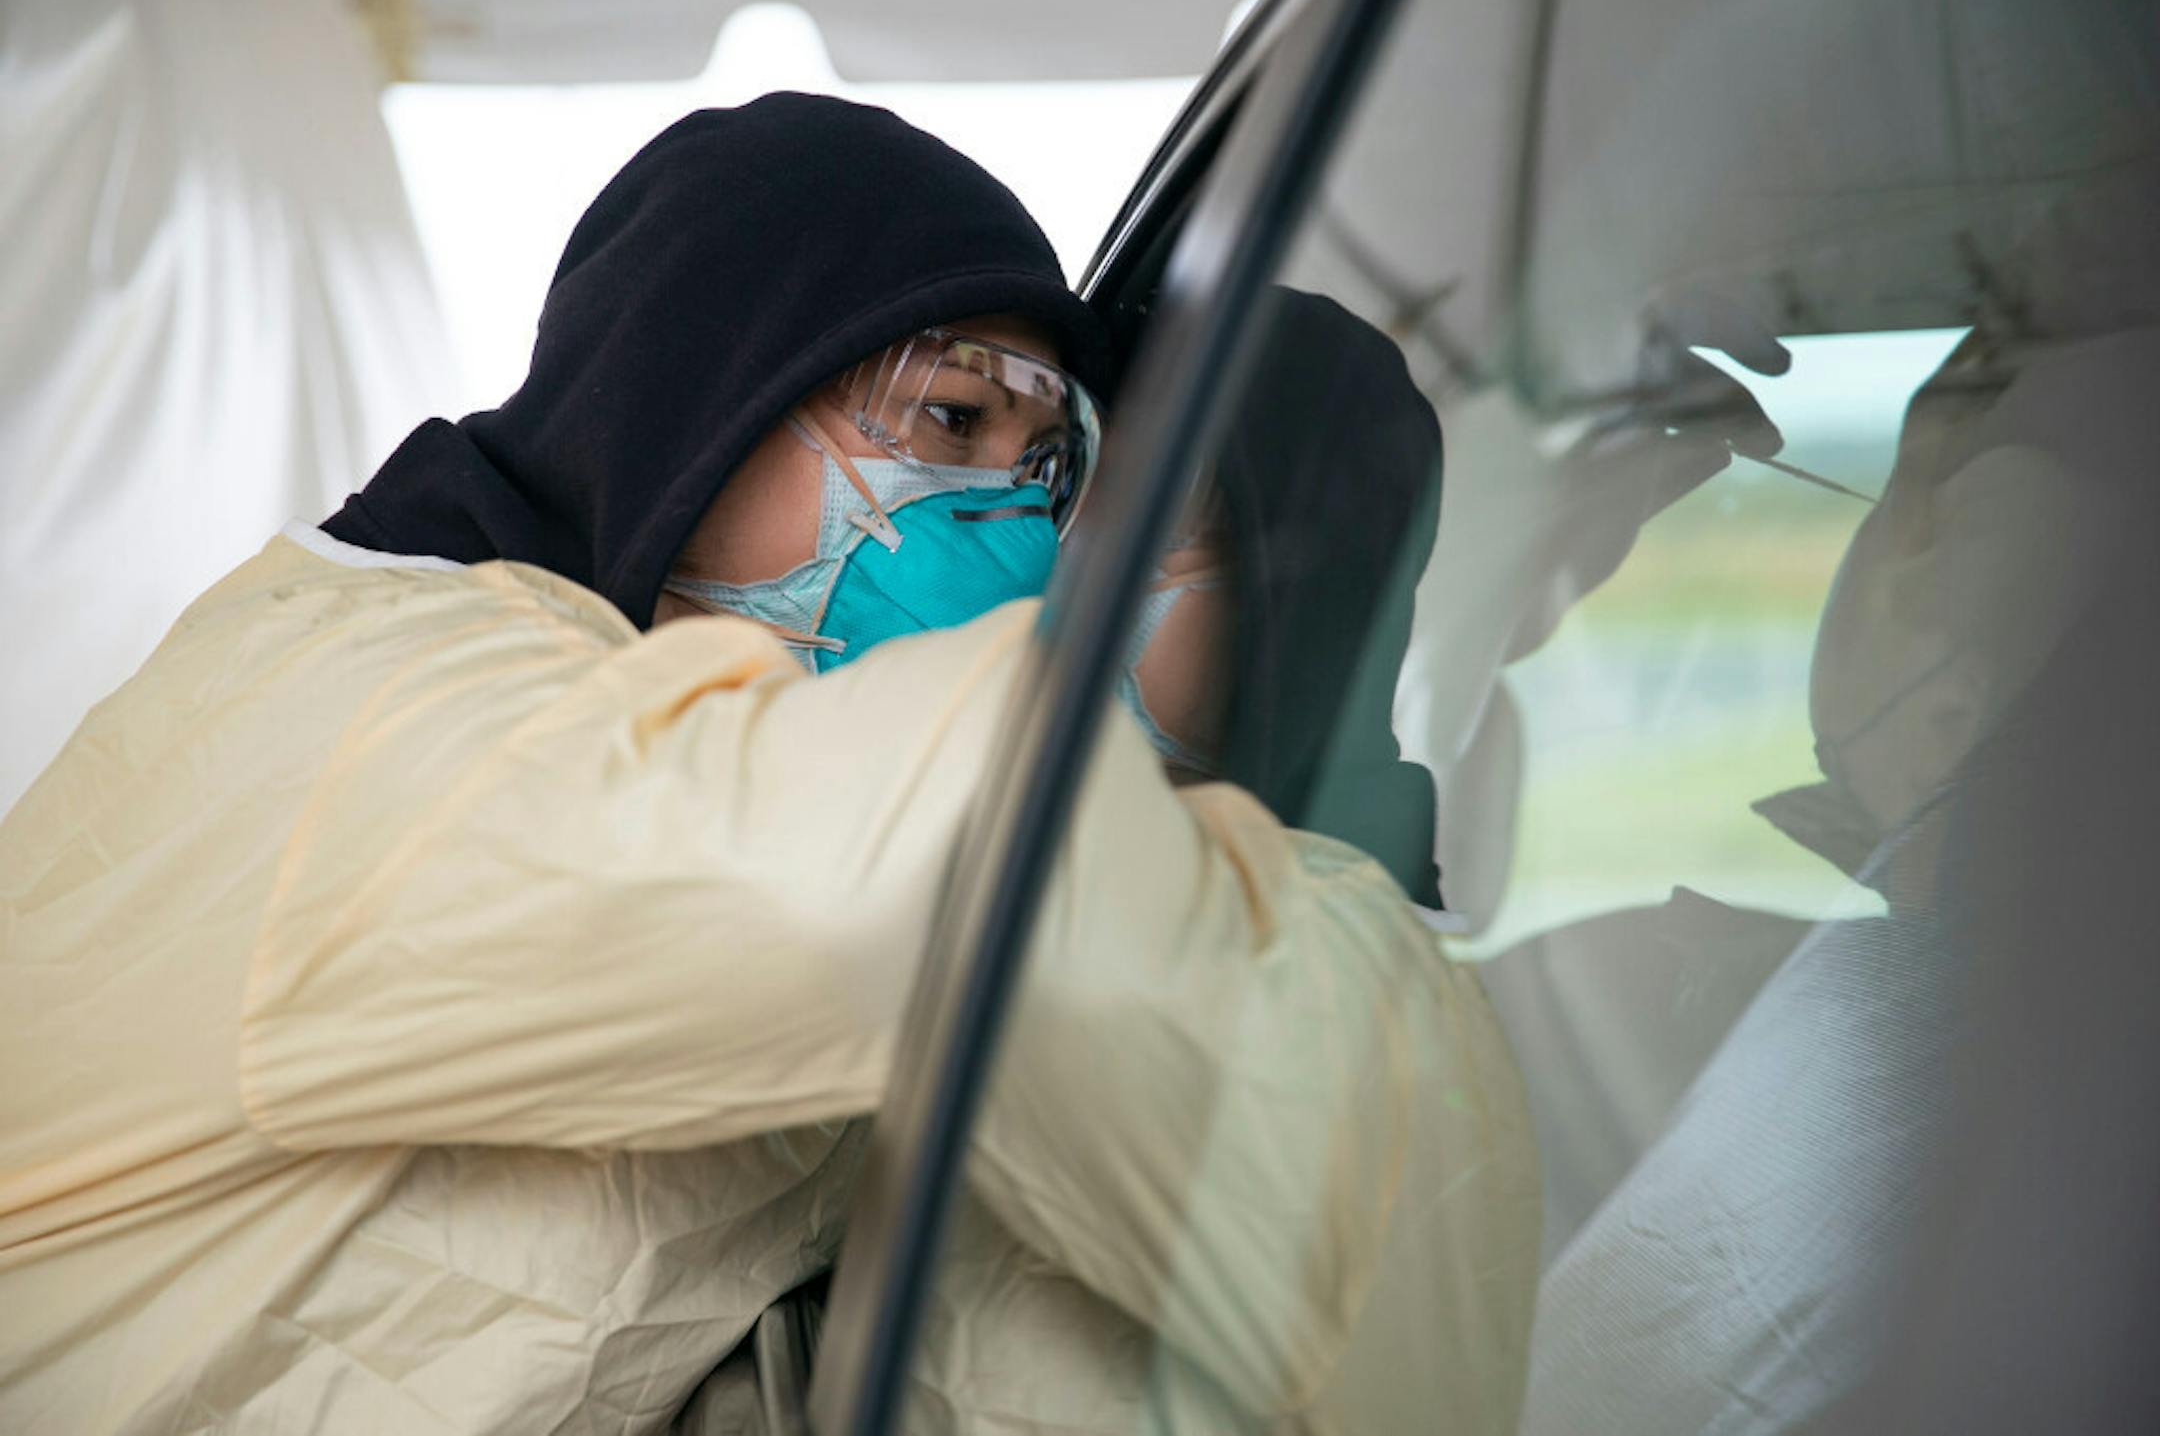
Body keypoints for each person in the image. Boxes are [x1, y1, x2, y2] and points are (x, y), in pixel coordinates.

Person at [0, 95, 1535, 1434]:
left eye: (1045, 472)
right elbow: (907, 877)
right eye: (949, 420)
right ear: (703, 396)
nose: (1026, 550)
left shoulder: (688, 844)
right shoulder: (380, 703)